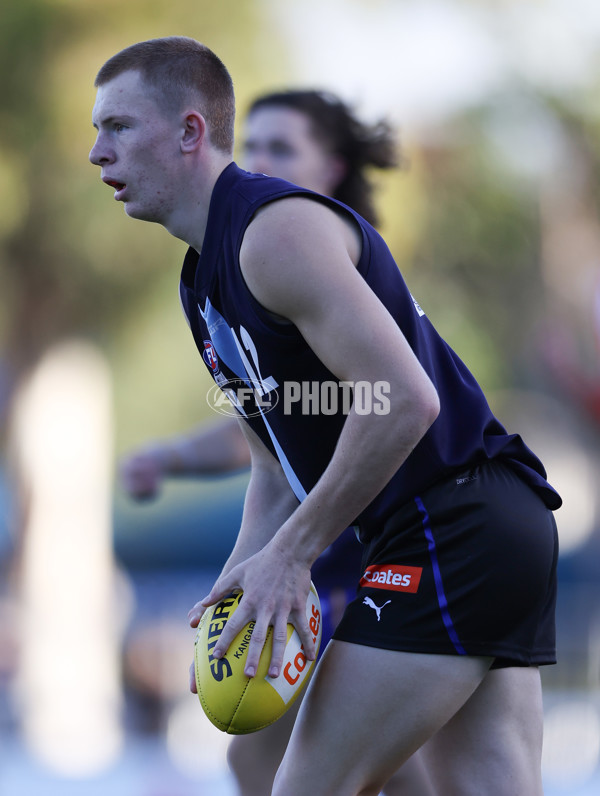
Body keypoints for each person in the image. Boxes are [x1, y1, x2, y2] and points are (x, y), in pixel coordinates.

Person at [90, 37, 561, 796]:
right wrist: (240, 589)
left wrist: (293, 554)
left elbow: (405, 398)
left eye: (117, 126)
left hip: (455, 525)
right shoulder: (202, 279)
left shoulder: (273, 233)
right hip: (481, 524)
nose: (95, 153)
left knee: (304, 786)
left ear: (189, 131)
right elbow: (276, 467)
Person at [119, 88, 434, 796]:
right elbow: (269, 430)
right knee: (256, 753)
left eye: (281, 148)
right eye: (252, 144)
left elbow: (393, 404)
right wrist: (172, 457)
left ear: (334, 166)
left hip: (392, 541)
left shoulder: (324, 258)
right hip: (323, 546)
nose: (256, 160)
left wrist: (288, 549)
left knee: (384, 766)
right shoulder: (240, 259)